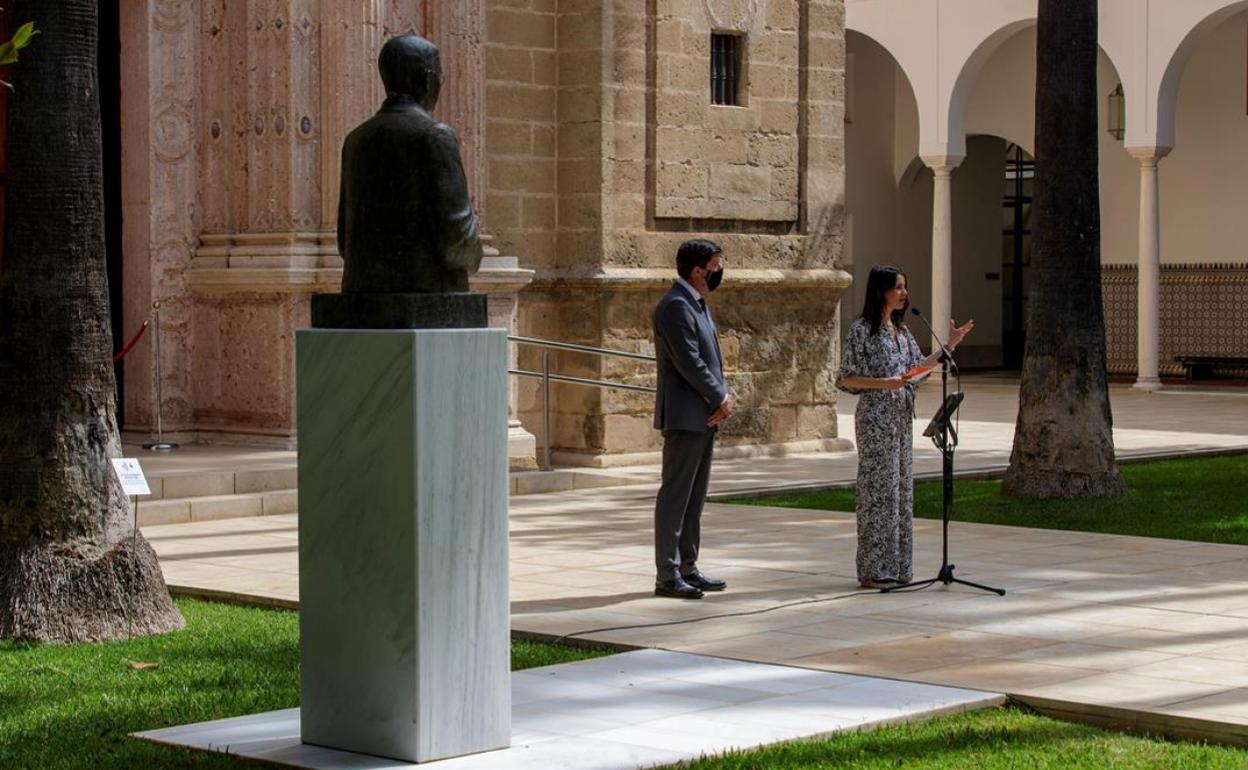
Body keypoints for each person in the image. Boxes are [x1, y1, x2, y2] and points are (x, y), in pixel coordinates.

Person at [836, 266, 973, 589]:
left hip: (900, 421)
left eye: (905, 287)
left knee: (900, 492)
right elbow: (845, 378)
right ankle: (873, 569)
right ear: (881, 290)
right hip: (875, 421)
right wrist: (885, 383)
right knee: (878, 493)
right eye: (898, 287)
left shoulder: (902, 332)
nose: (904, 293)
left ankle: (898, 566)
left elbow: (918, 368)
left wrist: (950, 346)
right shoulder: (862, 331)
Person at [337, 34, 483, 294]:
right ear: (427, 78)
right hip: (428, 299)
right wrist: (474, 256)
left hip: (362, 298)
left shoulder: (355, 140)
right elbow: (457, 240)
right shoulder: (434, 135)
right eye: (440, 75)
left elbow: (344, 240)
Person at [651, 239, 733, 599]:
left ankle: (689, 566)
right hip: (686, 415)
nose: (718, 272)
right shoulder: (675, 306)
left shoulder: (696, 304)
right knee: (676, 495)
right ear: (697, 270)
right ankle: (667, 575)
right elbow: (689, 363)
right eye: (715, 265)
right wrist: (721, 396)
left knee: (695, 497)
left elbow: (711, 358)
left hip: (704, 415)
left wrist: (720, 398)